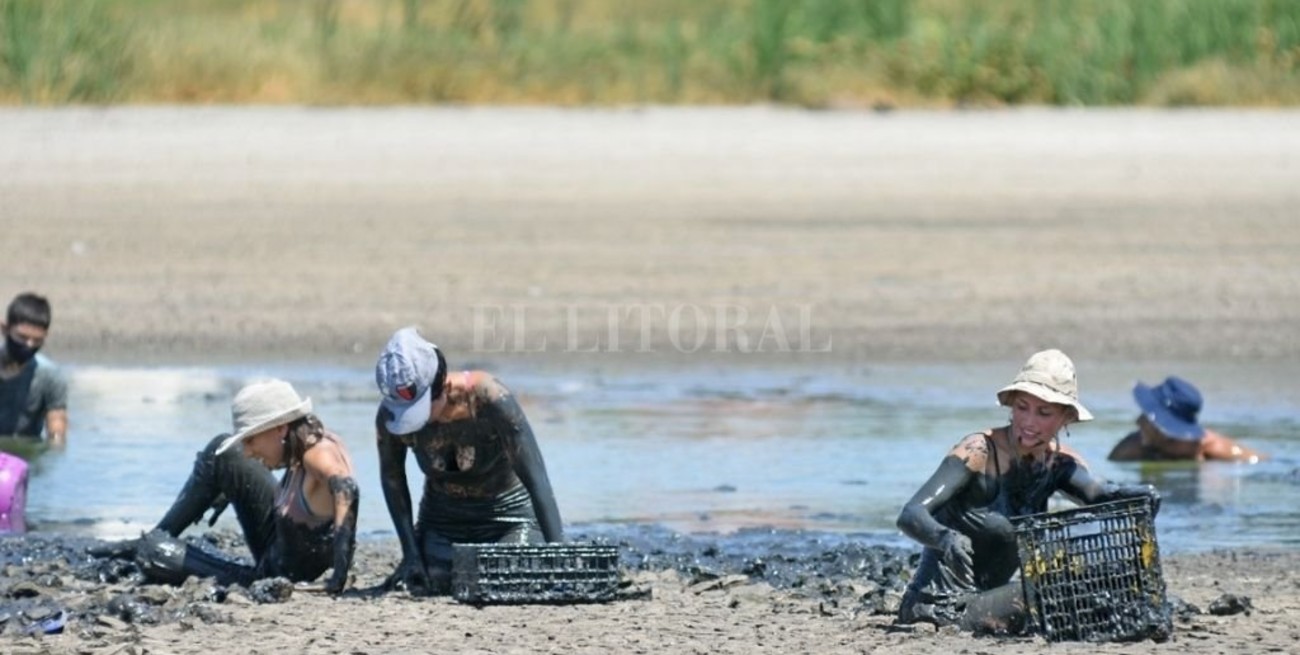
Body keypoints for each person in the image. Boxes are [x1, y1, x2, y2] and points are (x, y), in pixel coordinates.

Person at [895, 349, 1160, 634]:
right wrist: (945, 539)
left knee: (1100, 586)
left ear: (1066, 418)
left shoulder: (1058, 464)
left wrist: (1141, 495)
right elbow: (911, 513)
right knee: (1047, 593)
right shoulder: (978, 451)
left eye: (1044, 412)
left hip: (989, 601)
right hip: (939, 606)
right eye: (1022, 407)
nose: (1029, 421)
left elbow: (1101, 495)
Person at [374, 326, 563, 594]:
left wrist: (558, 553)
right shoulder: (390, 417)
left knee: (505, 573)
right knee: (432, 581)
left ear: (442, 386)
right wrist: (411, 555)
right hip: (441, 523)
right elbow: (392, 478)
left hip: (507, 519)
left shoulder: (488, 397)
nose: (417, 421)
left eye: (420, 410)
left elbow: (537, 479)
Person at [127, 379, 359, 594]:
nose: (247, 451)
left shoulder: (317, 454)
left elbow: (347, 488)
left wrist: (338, 577)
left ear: (281, 428)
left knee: (154, 551)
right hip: (280, 540)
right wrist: (227, 489)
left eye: (250, 440)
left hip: (276, 576)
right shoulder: (310, 440)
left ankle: (147, 543)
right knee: (223, 451)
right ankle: (159, 536)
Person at [1108, 376, 1265, 463]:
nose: (1138, 422)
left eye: (1146, 417)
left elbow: (1259, 461)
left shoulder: (1211, 447)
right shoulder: (1135, 446)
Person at [0, 293, 67, 449]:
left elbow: (57, 426)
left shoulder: (50, 377)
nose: (29, 345)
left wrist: (56, 448)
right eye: (22, 338)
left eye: (37, 340)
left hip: (26, 457)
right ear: (5, 330)